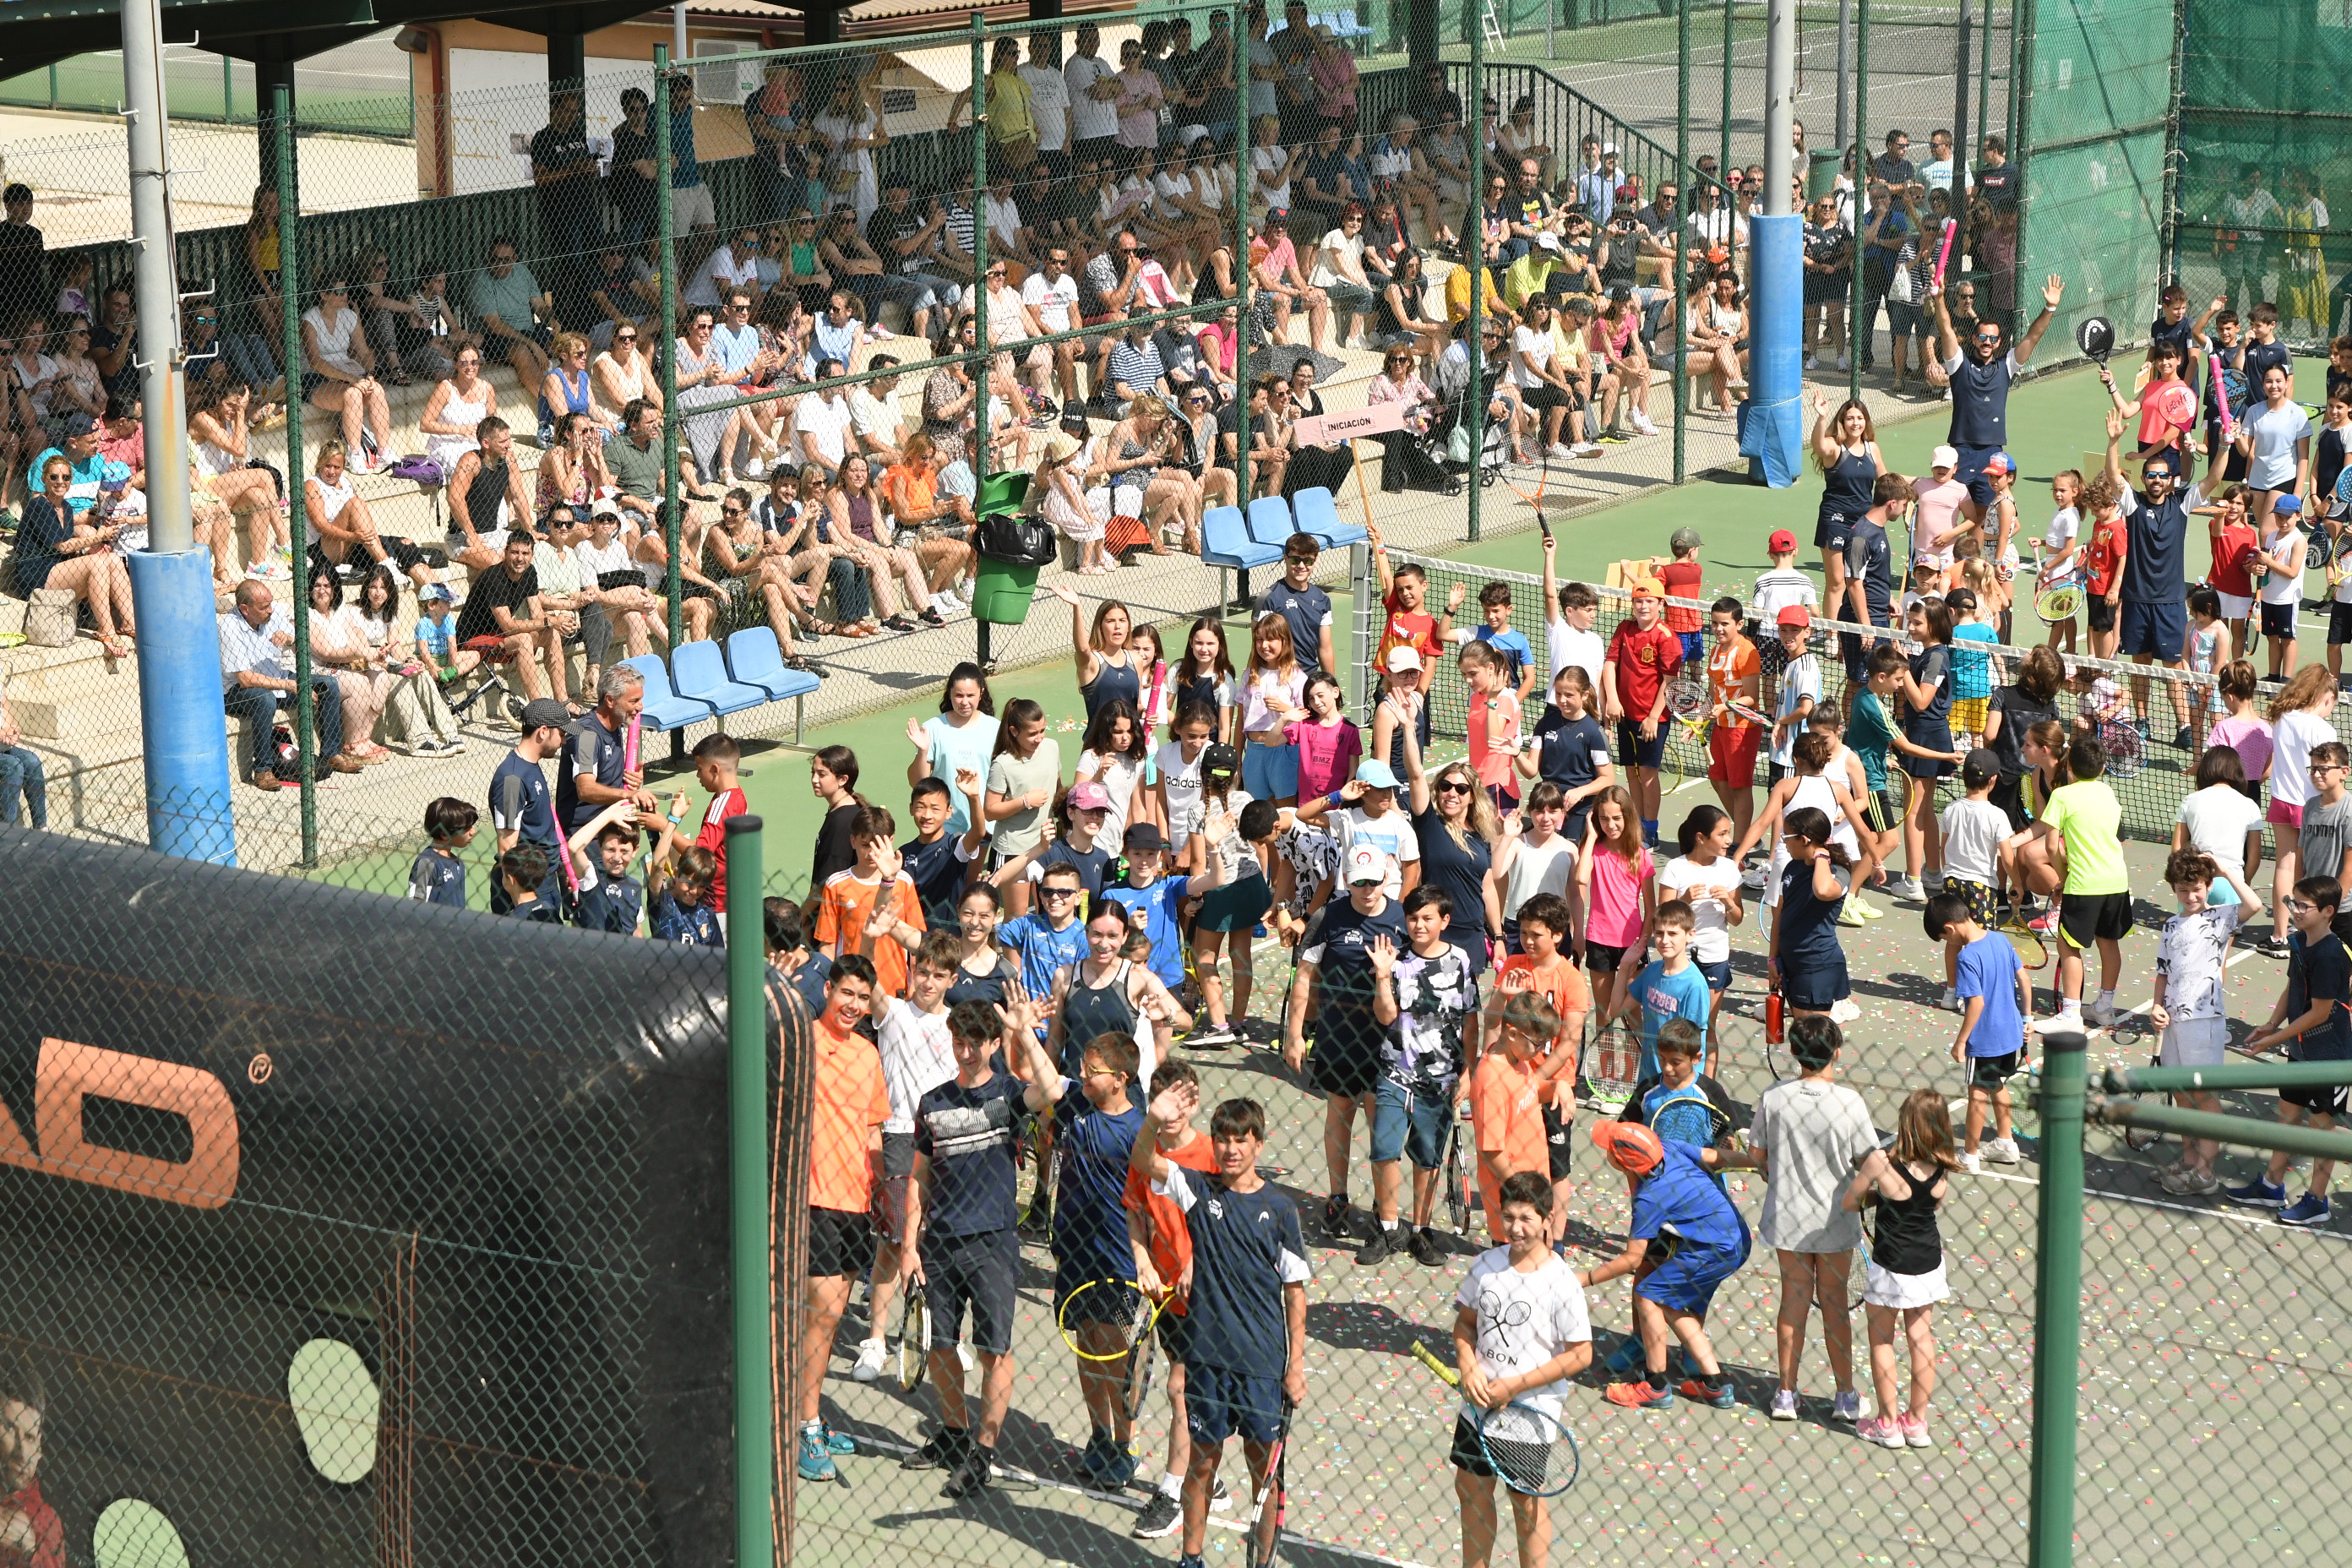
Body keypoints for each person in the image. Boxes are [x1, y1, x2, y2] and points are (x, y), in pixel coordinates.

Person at [1447, 1170, 1592, 1568]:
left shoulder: (1561, 1283)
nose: (1516, 1228)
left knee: (1526, 1501)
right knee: (1470, 1489)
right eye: (1509, 1217)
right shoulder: (1485, 1265)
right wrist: (1468, 1366)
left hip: (1530, 1415)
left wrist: (1514, 1386)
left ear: (1547, 1219)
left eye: (1526, 1218)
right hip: (1477, 1407)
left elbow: (1581, 1355)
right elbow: (1465, 1325)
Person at [1745, 1013, 1876, 1423]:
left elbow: (1757, 1155)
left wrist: (1773, 1170)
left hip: (1788, 1219)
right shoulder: (1849, 1103)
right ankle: (1845, 1395)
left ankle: (1785, 1394)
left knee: (1793, 1303)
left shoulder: (1774, 1097)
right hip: (1835, 1222)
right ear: (1837, 1052)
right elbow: (1869, 1160)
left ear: (1793, 1051)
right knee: (1835, 1307)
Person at [1582, 1119, 1758, 1411]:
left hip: (1712, 1249)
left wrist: (1585, 1278)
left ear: (1623, 1162)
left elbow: (1632, 1259)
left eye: (1610, 1150)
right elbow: (1715, 1156)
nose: (1607, 1152)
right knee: (1675, 1307)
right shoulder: (1669, 1148)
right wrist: (1755, 1162)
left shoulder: (1651, 1196)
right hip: (1736, 1241)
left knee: (1648, 1295)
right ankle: (1713, 1385)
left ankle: (1654, 1386)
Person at [1284, 841, 1411, 1244]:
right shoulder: (1329, 916)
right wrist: (1294, 1034)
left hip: (1385, 1042)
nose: (1367, 890)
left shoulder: (1403, 919)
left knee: (1380, 1124)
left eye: (1373, 881)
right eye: (1359, 883)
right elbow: (1305, 976)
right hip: (1338, 1037)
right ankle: (1337, 1198)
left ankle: (1382, 1208)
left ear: (1386, 878)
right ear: (1346, 881)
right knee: (1339, 1116)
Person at [795, 954, 890, 1482]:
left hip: (856, 1202)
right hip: (813, 1197)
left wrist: (883, 1193)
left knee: (827, 1320)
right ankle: (806, 1425)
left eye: (862, 997)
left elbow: (873, 1130)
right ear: (828, 989)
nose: (853, 1005)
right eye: (846, 993)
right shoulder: (802, 1041)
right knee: (823, 1316)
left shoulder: (868, 1054)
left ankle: (806, 1413)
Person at [1843, 1090, 1958, 1449]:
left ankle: (1887, 1423)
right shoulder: (1943, 1167)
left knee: (1882, 1339)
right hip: (1928, 1262)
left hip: (1891, 1264)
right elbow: (1931, 1205)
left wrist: (1877, 1195)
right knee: (1921, 1339)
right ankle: (1917, 1423)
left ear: (1906, 1123)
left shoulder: (1881, 1162)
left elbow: (1850, 1202)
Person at [2148, 849, 2259, 1195]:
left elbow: (2255, 904)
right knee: (2181, 1094)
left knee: (2204, 1095)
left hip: (2204, 1020)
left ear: (2208, 886)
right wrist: (2156, 1006)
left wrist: (2224, 869)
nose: (2190, 896)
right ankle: (2189, 1161)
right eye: (2182, 889)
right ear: (2173, 889)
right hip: (2172, 1022)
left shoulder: (2220, 918)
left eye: (2196, 888)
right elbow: (2163, 972)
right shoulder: (2170, 925)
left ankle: (2205, 1174)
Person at [2009, 732, 2128, 1033]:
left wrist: (2061, 878)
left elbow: (2051, 846)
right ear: (2103, 768)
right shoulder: (2108, 793)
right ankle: (2104, 1007)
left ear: (2070, 766)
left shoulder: (2063, 796)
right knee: (2108, 943)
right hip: (2117, 881)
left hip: (2084, 884)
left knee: (2068, 946)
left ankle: (2072, 1014)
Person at [1933, 270, 2064, 510]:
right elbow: (1946, 330)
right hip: (1961, 450)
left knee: (1984, 516)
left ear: (1999, 342)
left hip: (1992, 452)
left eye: (1993, 339)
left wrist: (2050, 308)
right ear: (1974, 339)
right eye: (1982, 337)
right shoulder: (1959, 364)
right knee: (1948, 510)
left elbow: (2033, 337)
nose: (1987, 342)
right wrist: (1939, 298)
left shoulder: (2007, 366)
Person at [219, 578, 357, 790]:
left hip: (278, 680)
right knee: (265, 700)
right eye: (264, 607)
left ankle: (331, 754)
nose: (270, 610)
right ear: (245, 609)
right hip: (238, 692)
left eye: (270, 604)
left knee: (328, 685)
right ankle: (263, 769)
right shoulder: (229, 627)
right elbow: (245, 679)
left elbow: (301, 644)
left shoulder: (272, 615)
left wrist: (290, 640)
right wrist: (287, 685)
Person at [9, 448, 133, 658]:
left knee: (111, 558)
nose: (60, 482)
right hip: (35, 573)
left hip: (58, 569)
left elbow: (72, 535)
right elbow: (63, 546)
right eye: (54, 477)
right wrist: (98, 537)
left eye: (65, 477)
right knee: (97, 563)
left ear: (70, 480)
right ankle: (107, 630)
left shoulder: (66, 507)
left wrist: (101, 531)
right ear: (44, 479)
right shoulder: (38, 505)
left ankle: (131, 623)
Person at [1602, 579, 1682, 848]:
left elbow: (1669, 681)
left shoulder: (1667, 638)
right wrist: (1612, 700)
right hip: (1624, 715)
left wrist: (1653, 717)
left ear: (1661, 604)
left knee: (1647, 774)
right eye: (1638, 601)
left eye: (1649, 601)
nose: (1643, 606)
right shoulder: (1624, 628)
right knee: (1631, 772)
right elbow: (1610, 665)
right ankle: (1636, 825)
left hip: (1652, 719)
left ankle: (1651, 831)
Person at [407, 797, 478, 907]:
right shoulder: (427, 863)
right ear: (445, 834)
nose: (473, 832)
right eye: (466, 829)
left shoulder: (457, 862)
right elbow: (416, 907)